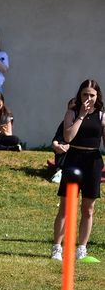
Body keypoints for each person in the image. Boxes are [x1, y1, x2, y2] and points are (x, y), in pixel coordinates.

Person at [51, 79, 105, 261]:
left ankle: (82, 247)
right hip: (74, 160)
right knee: (66, 208)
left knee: (88, 209)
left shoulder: (101, 116)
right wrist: (81, 115)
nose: (88, 98)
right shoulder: (72, 112)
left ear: (97, 97)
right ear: (80, 95)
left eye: (92, 95)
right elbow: (68, 136)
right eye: (85, 94)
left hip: (93, 162)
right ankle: (57, 247)